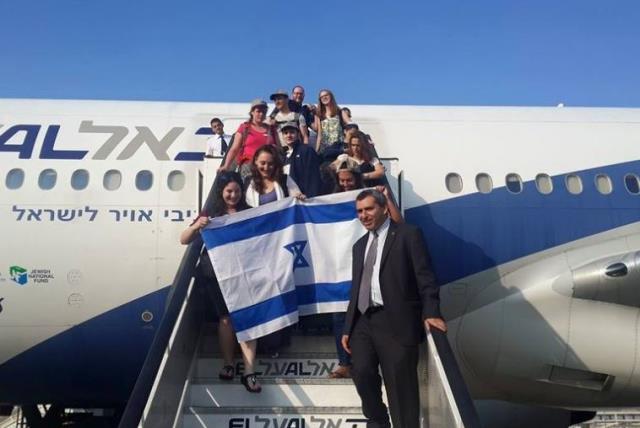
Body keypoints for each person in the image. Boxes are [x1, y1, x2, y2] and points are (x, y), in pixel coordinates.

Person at [341, 189, 446, 428]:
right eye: (359, 211)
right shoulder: (359, 246)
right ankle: (378, 419)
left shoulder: (408, 235)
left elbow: (425, 277)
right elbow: (357, 288)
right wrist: (348, 326)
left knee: (401, 388)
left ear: (384, 208)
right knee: (362, 372)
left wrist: (432, 311)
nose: (364, 215)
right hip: (364, 321)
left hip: (396, 320)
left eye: (369, 209)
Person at [179, 172, 263, 393]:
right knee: (225, 320)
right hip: (216, 274)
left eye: (236, 191)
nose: (233, 195)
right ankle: (228, 363)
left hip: (244, 273)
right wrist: (198, 225)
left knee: (247, 320)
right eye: (229, 191)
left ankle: (249, 371)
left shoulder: (248, 213)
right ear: (221, 192)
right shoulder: (211, 215)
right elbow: (184, 239)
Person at [219, 99, 277, 179]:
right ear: (252, 112)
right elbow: (234, 149)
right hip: (249, 167)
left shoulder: (271, 129)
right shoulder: (244, 128)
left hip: (266, 168)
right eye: (258, 111)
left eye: (264, 112)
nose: (261, 114)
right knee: (249, 189)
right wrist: (226, 166)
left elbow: (276, 148)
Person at [280, 122, 322, 197]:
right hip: (290, 200)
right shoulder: (284, 157)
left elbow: (313, 176)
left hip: (305, 199)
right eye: (285, 133)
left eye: (292, 132)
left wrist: (310, 195)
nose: (288, 135)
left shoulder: (307, 151)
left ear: (298, 134)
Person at [314, 89, 350, 157]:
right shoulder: (319, 115)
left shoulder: (339, 111)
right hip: (325, 149)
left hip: (339, 146)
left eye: (326, 95)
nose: (324, 97)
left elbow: (351, 125)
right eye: (322, 97)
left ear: (331, 96)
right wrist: (316, 150)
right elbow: (319, 134)